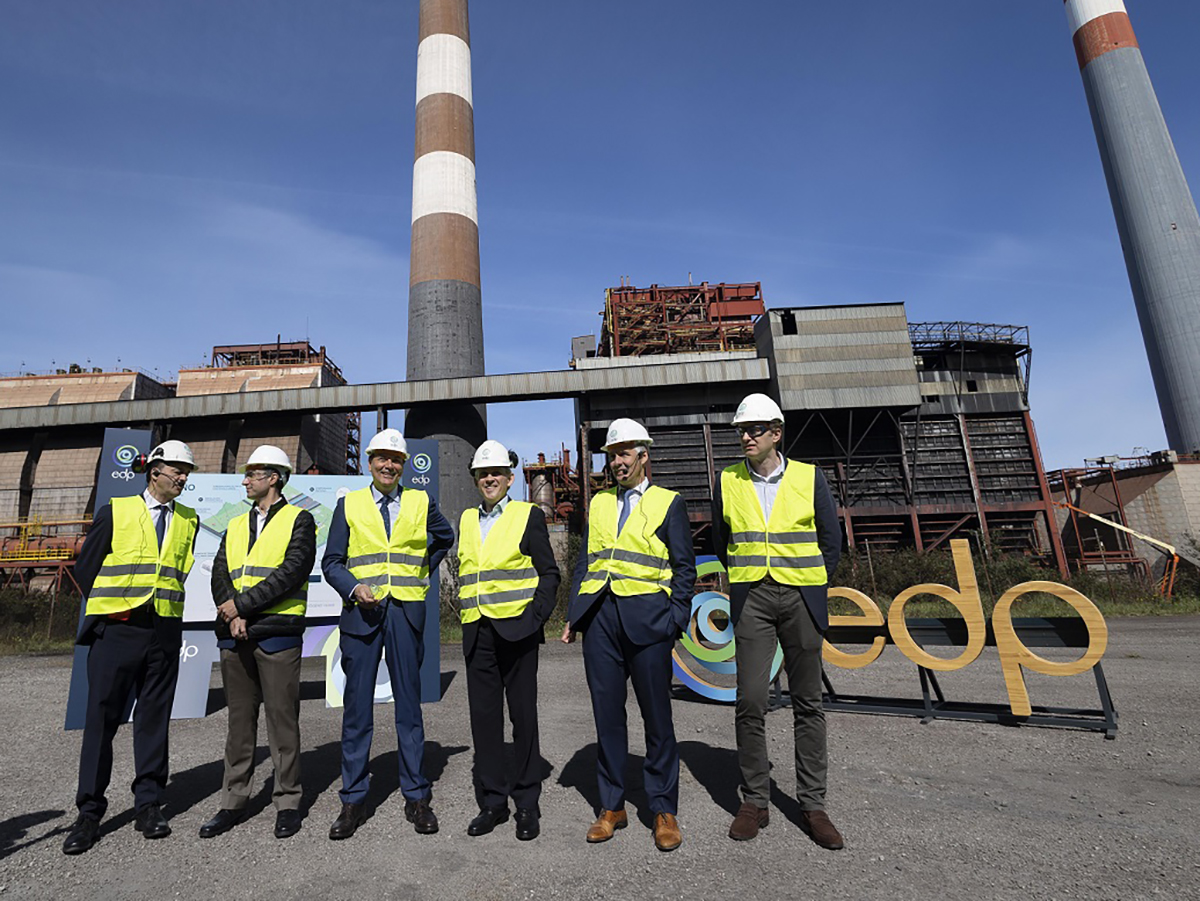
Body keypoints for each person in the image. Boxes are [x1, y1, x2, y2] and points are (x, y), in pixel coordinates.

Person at [711, 393, 845, 850]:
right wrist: (742, 583)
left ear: (776, 433)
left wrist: (813, 585)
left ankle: (813, 805)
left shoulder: (810, 477)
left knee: (808, 702)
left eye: (754, 430)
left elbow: (832, 541)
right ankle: (755, 801)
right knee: (750, 699)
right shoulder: (727, 479)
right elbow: (722, 537)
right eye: (741, 430)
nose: (745, 437)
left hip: (802, 598)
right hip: (753, 598)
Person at [562, 418, 695, 852]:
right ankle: (612, 805)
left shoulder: (668, 502)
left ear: (643, 455)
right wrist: (576, 613)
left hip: (649, 621)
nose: (618, 461)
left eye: (625, 453)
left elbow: (683, 569)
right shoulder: (598, 503)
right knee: (607, 717)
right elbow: (587, 563)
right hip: (601, 620)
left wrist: (675, 619)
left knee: (657, 718)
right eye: (612, 454)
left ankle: (661, 807)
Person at [63, 440, 200, 855]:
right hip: (117, 632)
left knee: (154, 722)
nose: (183, 476)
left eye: (186, 471)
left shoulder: (189, 519)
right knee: (101, 723)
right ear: (154, 470)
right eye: (176, 469)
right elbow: (87, 570)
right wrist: (113, 611)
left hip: (163, 633)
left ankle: (149, 805)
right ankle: (89, 813)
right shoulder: (117, 511)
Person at [321, 428, 454, 839]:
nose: (388, 465)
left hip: (405, 613)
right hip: (362, 614)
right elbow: (332, 562)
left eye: (395, 459)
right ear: (369, 462)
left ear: (403, 465)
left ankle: (416, 796)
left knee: (409, 709)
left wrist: (418, 573)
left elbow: (444, 538)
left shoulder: (420, 500)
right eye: (381, 458)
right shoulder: (350, 505)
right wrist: (352, 587)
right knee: (357, 711)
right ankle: (354, 799)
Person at [199, 445, 316, 840]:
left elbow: (292, 572)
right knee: (238, 725)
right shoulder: (233, 524)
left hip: (276, 634)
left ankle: (287, 801)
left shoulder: (300, 520)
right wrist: (232, 612)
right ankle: (233, 802)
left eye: (252, 473)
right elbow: (220, 573)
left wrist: (242, 608)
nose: (245, 480)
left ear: (274, 477)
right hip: (235, 636)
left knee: (282, 723)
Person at [457, 440, 560, 841]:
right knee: (484, 722)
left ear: (510, 477)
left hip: (517, 631)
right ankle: (493, 803)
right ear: (475, 479)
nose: (490, 478)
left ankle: (527, 803)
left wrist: (536, 617)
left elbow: (549, 573)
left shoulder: (527, 514)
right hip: (476, 631)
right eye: (483, 473)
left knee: (523, 719)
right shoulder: (466, 519)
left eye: (497, 472)